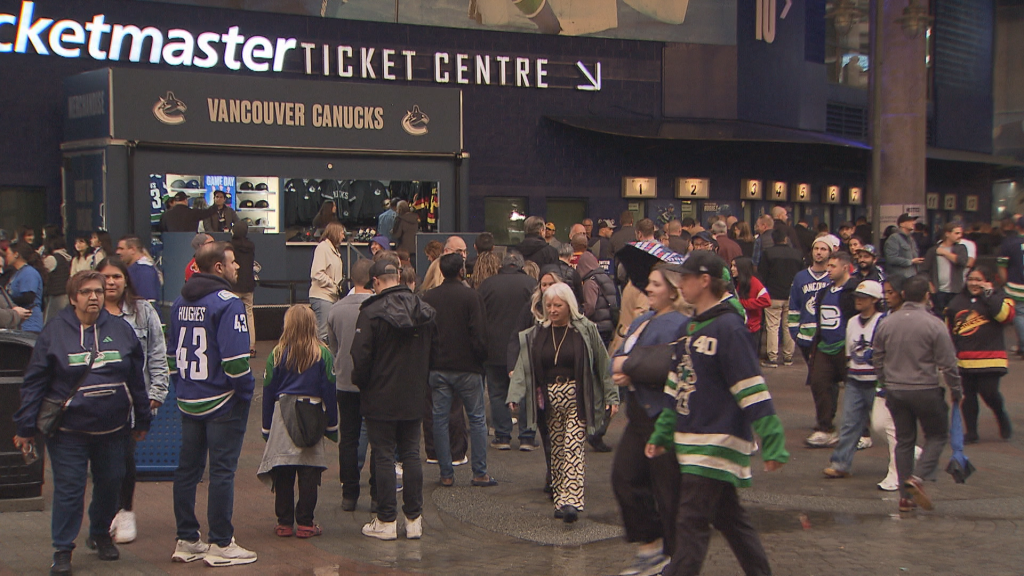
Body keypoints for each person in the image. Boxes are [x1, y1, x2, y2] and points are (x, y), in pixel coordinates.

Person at [645, 251, 788, 576]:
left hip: (716, 442)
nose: (680, 283)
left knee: (691, 522)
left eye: (686, 277)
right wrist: (662, 433)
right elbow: (676, 388)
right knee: (730, 519)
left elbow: (751, 388)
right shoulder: (689, 328)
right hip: (693, 440)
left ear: (705, 281)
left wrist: (773, 440)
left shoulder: (729, 329)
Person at [13, 270, 152, 575]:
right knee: (70, 489)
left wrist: (142, 418)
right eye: (87, 292)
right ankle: (63, 549)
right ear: (73, 298)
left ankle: (100, 534)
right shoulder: (55, 332)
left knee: (111, 484)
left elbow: (136, 379)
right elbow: (34, 382)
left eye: (98, 292)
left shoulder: (120, 329)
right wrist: (25, 427)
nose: (94, 297)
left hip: (113, 430)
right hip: (68, 432)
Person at [169, 242, 257, 566]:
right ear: (218, 267)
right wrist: (246, 392)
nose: (238, 267)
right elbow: (236, 363)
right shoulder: (228, 303)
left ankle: (186, 539)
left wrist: (182, 388)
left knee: (187, 471)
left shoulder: (179, 302)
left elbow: (170, 357)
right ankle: (220, 542)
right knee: (222, 471)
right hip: (222, 401)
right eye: (233, 262)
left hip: (188, 399)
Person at [508, 282, 617, 523]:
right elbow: (523, 365)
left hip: (577, 396)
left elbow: (602, 363)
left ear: (569, 305)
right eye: (548, 305)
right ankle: (560, 497)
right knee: (556, 449)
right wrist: (514, 394)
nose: (552, 310)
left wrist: (612, 395)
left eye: (558, 305)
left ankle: (572, 501)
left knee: (573, 446)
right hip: (548, 398)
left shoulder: (585, 330)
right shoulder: (538, 333)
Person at [609, 265, 688, 576]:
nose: (649, 289)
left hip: (664, 415)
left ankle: (673, 558)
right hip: (639, 415)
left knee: (668, 491)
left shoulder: (681, 324)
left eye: (656, 284)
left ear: (673, 289)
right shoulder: (643, 320)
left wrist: (633, 368)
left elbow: (669, 365)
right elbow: (616, 361)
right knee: (624, 478)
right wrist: (630, 366)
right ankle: (651, 547)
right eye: (649, 283)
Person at [351, 260, 437, 540]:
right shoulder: (423, 310)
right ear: (398, 276)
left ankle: (386, 519)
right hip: (413, 393)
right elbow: (434, 352)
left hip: (380, 394)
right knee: (411, 452)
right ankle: (414, 519)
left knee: (384, 454)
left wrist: (362, 383)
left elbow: (360, 356)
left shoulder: (371, 313)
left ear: (375, 281)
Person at [95, 257, 169, 544]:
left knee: (124, 460)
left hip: (130, 402)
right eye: (105, 276)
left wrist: (157, 392)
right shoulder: (88, 312)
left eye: (116, 276)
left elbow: (157, 352)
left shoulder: (143, 311)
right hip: (94, 404)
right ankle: (104, 517)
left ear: (126, 280)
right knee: (102, 464)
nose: (111, 282)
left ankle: (124, 511)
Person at [874, 274, 962, 513]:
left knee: (904, 440)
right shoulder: (934, 324)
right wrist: (956, 390)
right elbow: (948, 363)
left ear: (904, 295)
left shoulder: (887, 323)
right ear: (927, 296)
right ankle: (918, 477)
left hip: (895, 389)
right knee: (937, 435)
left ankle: (905, 498)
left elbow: (877, 357)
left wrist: (885, 381)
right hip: (925, 389)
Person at [257, 305, 339, 539]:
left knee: (283, 471)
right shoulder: (322, 354)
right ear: (313, 325)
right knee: (309, 472)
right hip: (312, 417)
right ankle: (305, 523)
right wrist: (332, 426)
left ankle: (284, 523)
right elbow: (329, 391)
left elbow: (268, 391)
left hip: (283, 417)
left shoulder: (277, 353)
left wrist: (266, 428)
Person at [420, 254, 497, 487]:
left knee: (440, 419)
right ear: (462, 271)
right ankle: (480, 472)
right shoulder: (472, 296)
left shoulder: (429, 297)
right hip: (468, 367)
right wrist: (481, 359)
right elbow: (480, 333)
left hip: (438, 366)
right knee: (476, 419)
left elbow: (425, 334)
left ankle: (446, 473)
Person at [822, 280, 885, 479]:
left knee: (885, 426)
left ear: (874, 300)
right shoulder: (852, 322)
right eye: (857, 296)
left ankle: (907, 459)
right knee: (849, 423)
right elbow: (849, 353)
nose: (858, 300)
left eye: (863, 297)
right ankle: (840, 464)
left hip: (876, 381)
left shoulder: (882, 321)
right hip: (856, 379)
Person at [326, 258, 375, 511]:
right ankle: (377, 494)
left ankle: (349, 494)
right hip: (374, 382)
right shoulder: (379, 307)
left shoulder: (336, 310)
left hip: (345, 380)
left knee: (348, 438)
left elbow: (334, 347)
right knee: (379, 439)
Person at [945, 264, 1014, 442]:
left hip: (991, 358)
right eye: (971, 279)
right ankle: (972, 432)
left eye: (979, 280)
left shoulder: (1001, 297)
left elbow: (1005, 317)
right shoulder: (957, 301)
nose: (974, 283)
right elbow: (949, 329)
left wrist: (989, 295)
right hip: (964, 360)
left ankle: (1000, 415)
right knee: (968, 396)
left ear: (988, 281)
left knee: (989, 392)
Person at [479, 251, 537, 451]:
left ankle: (502, 436)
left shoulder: (487, 284)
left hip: (494, 347)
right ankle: (527, 437)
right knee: (527, 392)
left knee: (497, 392)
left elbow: (479, 314)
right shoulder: (531, 284)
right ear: (521, 265)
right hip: (524, 346)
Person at [803, 250, 860, 448]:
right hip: (824, 346)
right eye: (828, 266)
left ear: (845, 268)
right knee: (819, 384)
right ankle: (825, 428)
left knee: (856, 390)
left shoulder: (854, 291)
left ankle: (862, 431)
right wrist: (815, 345)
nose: (828, 270)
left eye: (833, 266)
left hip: (847, 347)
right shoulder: (824, 292)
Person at [788, 235, 837, 364]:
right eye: (816, 248)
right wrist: (795, 334)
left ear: (830, 253)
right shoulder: (800, 277)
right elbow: (794, 307)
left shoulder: (833, 277)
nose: (819, 252)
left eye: (823, 249)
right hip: (805, 337)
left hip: (829, 337)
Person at [759, 228, 802, 368]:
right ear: (786, 239)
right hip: (791, 295)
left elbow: (762, 274)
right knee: (788, 325)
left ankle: (772, 357)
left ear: (773, 239)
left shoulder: (768, 253)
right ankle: (788, 356)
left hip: (773, 295)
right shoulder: (797, 254)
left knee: (772, 326)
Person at [920, 222, 969, 314]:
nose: (959, 236)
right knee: (939, 314)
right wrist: (930, 285)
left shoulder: (961, 248)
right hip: (938, 290)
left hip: (955, 290)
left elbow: (962, 261)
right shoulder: (933, 250)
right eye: (956, 233)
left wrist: (944, 253)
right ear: (947, 234)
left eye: (960, 233)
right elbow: (924, 270)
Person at [309, 222, 346, 342]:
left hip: (331, 297)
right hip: (322, 297)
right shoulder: (323, 248)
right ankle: (320, 355)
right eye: (342, 233)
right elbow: (316, 273)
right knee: (323, 335)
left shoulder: (333, 250)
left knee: (329, 334)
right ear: (335, 233)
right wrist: (334, 284)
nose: (343, 236)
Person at [997, 215, 1024, 357]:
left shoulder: (1010, 243)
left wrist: (1005, 282)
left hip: (1016, 286)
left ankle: (1023, 346)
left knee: (1019, 315)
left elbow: (1002, 265)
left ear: (1017, 227)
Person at [5, 242, 46, 332]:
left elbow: (28, 298)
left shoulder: (29, 273)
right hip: (19, 324)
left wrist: (6, 301)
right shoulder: (16, 273)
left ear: (16, 255)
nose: (6, 257)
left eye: (8, 254)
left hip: (29, 324)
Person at [230, 221, 257, 356]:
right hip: (248, 285)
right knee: (249, 314)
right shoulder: (251, 246)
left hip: (234, 285)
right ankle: (251, 346)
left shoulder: (230, 246)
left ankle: (235, 345)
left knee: (232, 315)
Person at [733, 257, 770, 351]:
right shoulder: (736, 282)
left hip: (752, 328)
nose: (732, 269)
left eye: (735, 266)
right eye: (731, 266)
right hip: (738, 327)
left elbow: (766, 301)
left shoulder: (755, 283)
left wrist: (742, 303)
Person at [116, 236, 161, 302]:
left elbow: (148, 301)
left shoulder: (144, 271)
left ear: (133, 250)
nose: (117, 252)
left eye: (121, 249)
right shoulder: (135, 268)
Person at [884, 213, 923, 281]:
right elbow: (891, 258)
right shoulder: (894, 238)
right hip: (900, 279)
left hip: (913, 277)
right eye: (910, 221)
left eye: (914, 221)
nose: (914, 223)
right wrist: (910, 261)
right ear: (902, 224)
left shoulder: (911, 239)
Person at [42, 234, 72, 323]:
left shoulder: (52, 258)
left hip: (55, 295)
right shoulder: (66, 257)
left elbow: (42, 271)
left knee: (52, 321)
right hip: (65, 293)